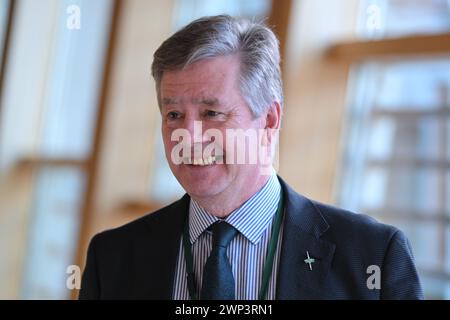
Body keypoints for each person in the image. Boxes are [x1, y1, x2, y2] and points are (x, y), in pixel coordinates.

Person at [79, 15, 423, 300]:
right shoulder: (112, 258)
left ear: (270, 120)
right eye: (173, 116)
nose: (189, 136)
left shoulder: (373, 257)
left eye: (212, 112)